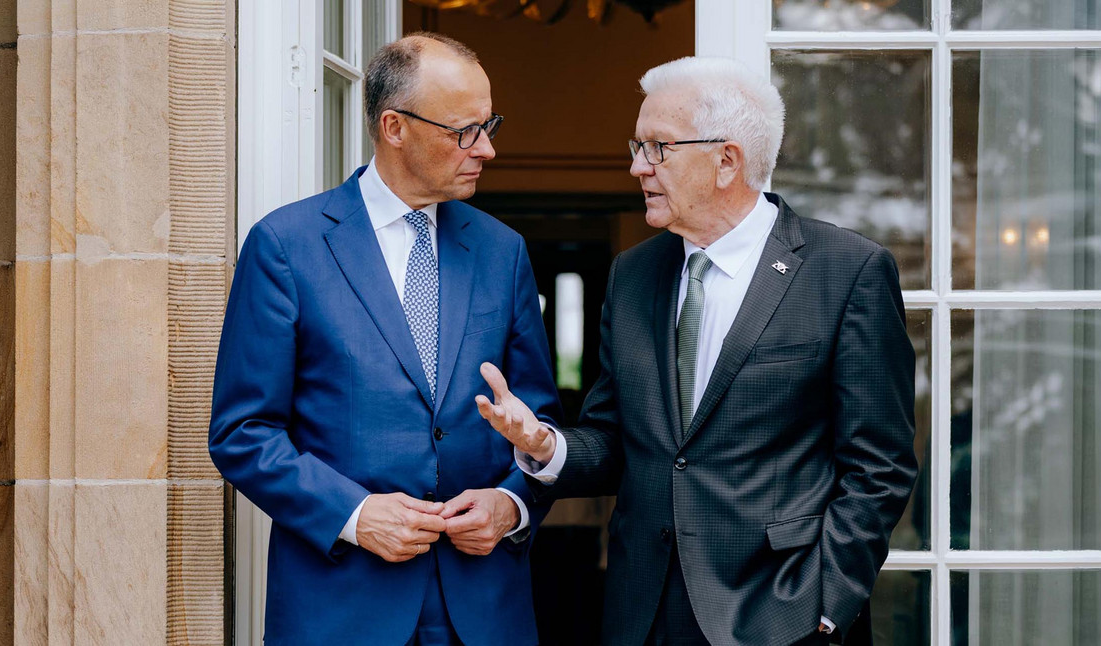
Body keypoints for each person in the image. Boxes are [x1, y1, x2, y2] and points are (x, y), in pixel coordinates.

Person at [476, 57, 917, 646]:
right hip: (644, 613)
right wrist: (541, 444)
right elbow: (614, 442)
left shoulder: (847, 272)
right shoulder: (633, 275)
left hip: (784, 614)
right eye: (638, 145)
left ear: (726, 161)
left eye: (657, 147)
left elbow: (880, 468)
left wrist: (825, 604)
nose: (637, 166)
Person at [209, 33, 561, 645]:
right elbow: (243, 433)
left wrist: (512, 505)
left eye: (489, 124)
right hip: (340, 607)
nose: (488, 149)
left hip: (484, 612)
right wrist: (355, 515)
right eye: (464, 132)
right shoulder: (286, 246)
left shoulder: (503, 251)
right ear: (394, 127)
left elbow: (537, 425)